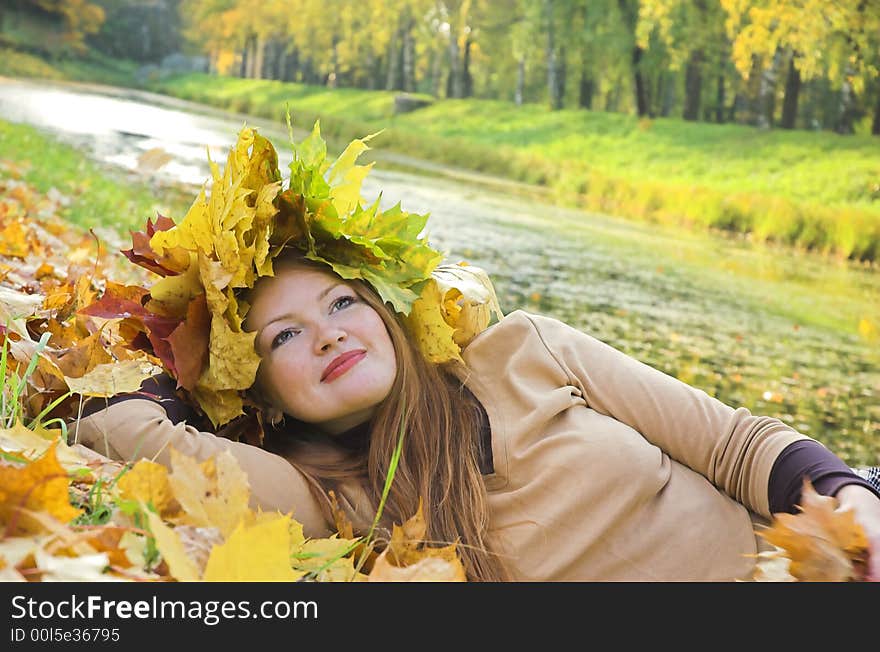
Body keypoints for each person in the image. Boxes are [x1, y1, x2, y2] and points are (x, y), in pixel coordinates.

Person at [71, 125, 880, 582]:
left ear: (385, 311)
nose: (329, 333)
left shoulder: (525, 351)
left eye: (345, 301)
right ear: (262, 392)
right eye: (284, 336)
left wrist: (851, 502)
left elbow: (737, 444)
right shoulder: (331, 499)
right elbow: (121, 419)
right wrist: (186, 357)